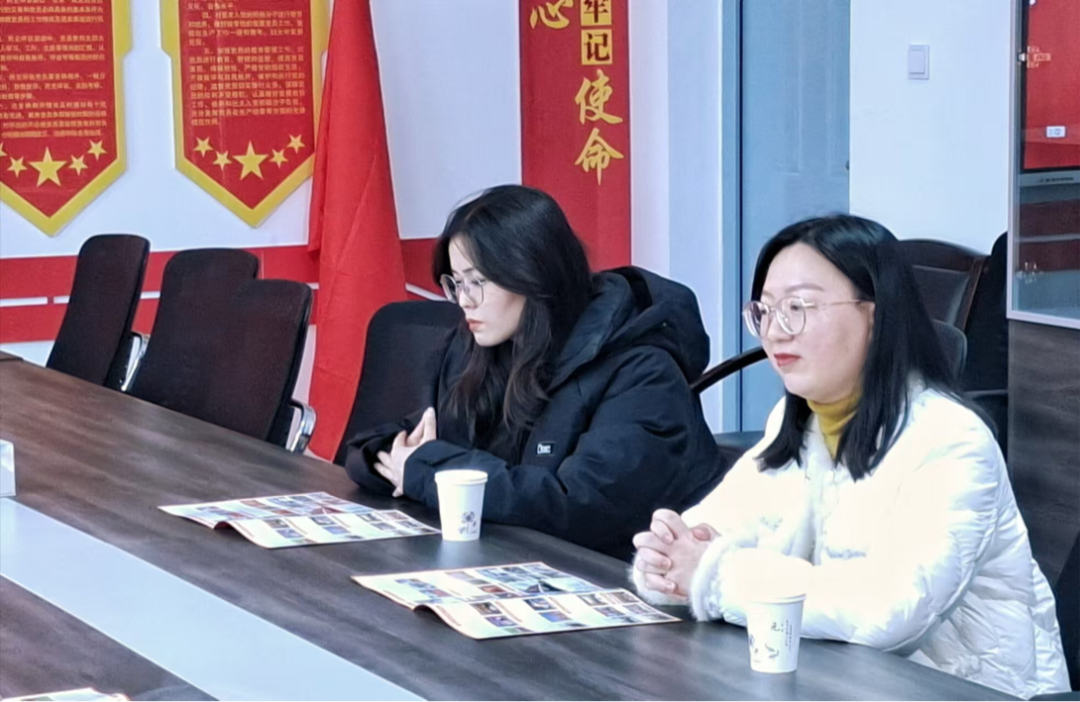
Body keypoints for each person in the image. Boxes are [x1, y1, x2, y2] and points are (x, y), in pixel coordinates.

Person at [631, 215, 1069, 698]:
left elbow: (888, 610)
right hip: (837, 684)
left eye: (798, 307)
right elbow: (711, 531)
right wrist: (667, 561)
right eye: (765, 311)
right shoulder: (797, 421)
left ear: (876, 317)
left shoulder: (952, 441)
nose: (775, 332)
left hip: (967, 689)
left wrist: (713, 576)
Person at [344, 185, 721, 559]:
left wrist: (424, 471)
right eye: (456, 283)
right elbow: (409, 440)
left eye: (477, 282)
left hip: (616, 579)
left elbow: (580, 508)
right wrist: (387, 459)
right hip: (510, 564)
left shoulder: (644, 372)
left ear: (533, 273)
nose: (464, 301)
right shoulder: (481, 348)